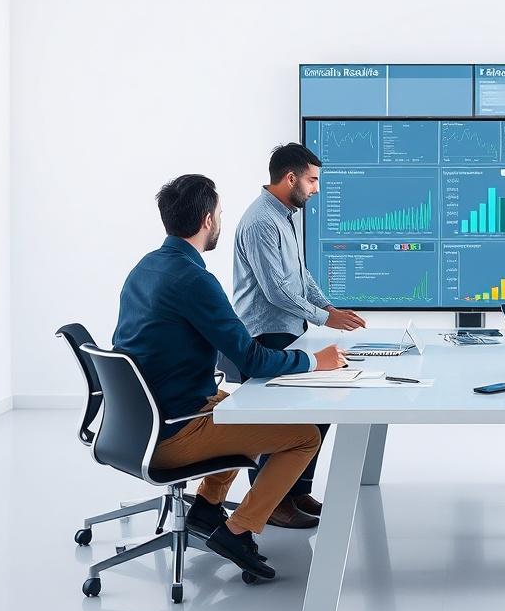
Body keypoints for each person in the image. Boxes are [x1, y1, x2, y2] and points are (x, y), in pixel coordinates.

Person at [112, 174, 348, 580]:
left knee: (240, 406)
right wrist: (314, 362)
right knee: (304, 436)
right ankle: (238, 531)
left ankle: (206, 507)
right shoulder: (194, 280)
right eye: (220, 214)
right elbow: (252, 359)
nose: (221, 220)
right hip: (174, 432)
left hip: (140, 423)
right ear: (207, 220)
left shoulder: (145, 267)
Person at [233, 142, 366, 528]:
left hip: (288, 331)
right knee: (277, 423)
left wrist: (328, 308)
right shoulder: (261, 221)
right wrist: (325, 320)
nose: (316, 189)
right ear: (290, 178)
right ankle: (271, 503)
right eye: (312, 180)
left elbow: (299, 275)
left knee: (317, 411)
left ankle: (295, 490)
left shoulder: (283, 215)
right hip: (265, 335)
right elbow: (276, 290)